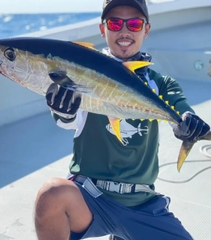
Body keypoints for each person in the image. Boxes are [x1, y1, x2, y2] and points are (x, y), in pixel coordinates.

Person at [34, 0, 210, 239]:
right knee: (51, 194)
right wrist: (63, 109)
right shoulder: (82, 71)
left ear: (146, 30)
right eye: (115, 23)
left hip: (142, 203)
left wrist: (188, 123)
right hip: (89, 198)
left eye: (135, 23)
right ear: (102, 29)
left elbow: (181, 110)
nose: (124, 31)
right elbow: (67, 121)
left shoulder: (162, 83)